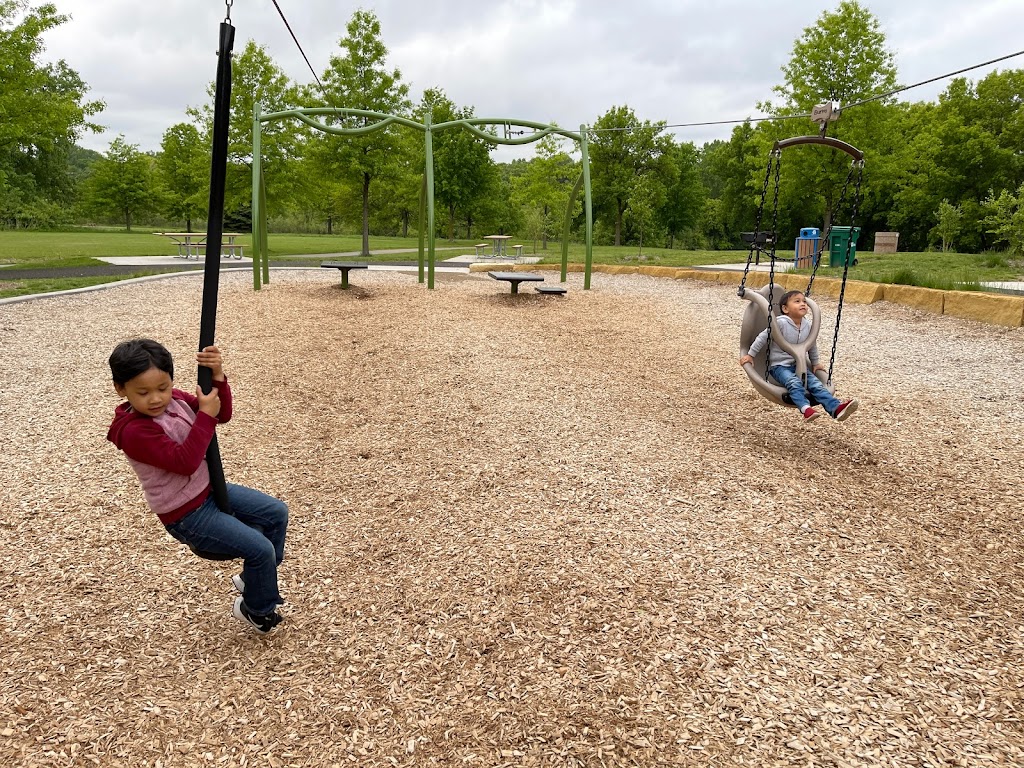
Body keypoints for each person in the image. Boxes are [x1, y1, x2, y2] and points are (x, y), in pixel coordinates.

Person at [107, 339, 288, 634]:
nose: (156, 399)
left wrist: (217, 376)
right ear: (121, 389)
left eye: (162, 388)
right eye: (143, 392)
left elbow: (222, 414)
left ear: (171, 381)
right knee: (261, 549)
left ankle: (255, 580)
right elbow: (185, 461)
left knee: (276, 513)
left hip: (210, 491)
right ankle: (256, 609)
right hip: (187, 513)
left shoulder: (175, 400)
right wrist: (203, 415)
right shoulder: (133, 432)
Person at [740, 290, 859, 422]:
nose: (803, 304)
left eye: (804, 301)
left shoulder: (807, 325)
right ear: (785, 309)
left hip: (798, 365)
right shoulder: (780, 322)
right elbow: (762, 337)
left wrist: (815, 363)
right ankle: (806, 409)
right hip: (779, 367)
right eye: (797, 301)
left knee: (816, 385)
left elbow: (811, 344)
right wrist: (750, 355)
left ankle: (836, 409)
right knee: (794, 383)